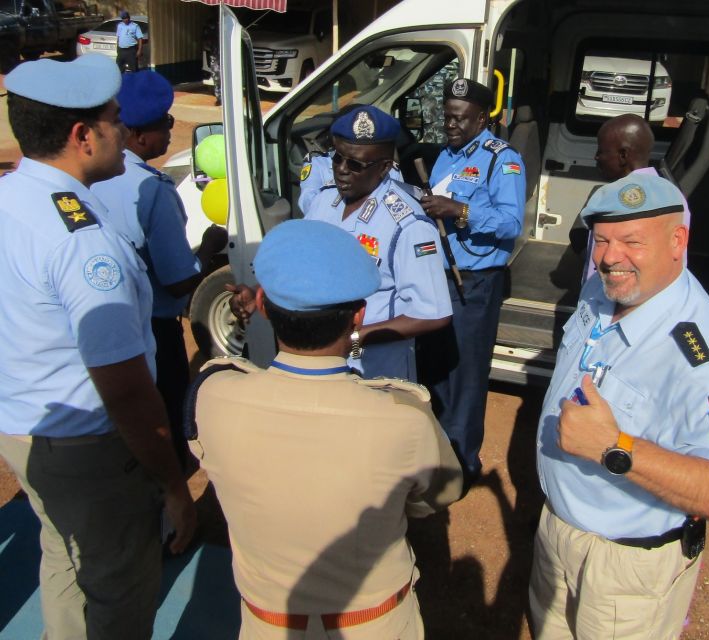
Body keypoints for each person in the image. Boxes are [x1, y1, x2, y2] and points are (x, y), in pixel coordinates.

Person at [188, 218, 463, 639]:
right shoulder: (405, 417)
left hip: (267, 625)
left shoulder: (211, 395)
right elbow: (438, 495)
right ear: (359, 315)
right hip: (374, 625)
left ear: (262, 304)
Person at [0, 55, 195, 639]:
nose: (124, 129)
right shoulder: (83, 244)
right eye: (114, 119)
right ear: (84, 136)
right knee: (120, 587)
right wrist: (174, 485)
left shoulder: (12, 196)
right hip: (90, 448)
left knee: (64, 556)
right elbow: (127, 390)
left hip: (25, 429)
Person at [529, 172, 709, 640]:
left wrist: (613, 447)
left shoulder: (700, 355)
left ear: (678, 241)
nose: (609, 257)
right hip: (557, 532)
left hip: (623, 569)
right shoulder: (605, 288)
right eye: (602, 240)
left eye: (632, 241)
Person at [233, 105, 452, 381]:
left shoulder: (408, 225)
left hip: (375, 373)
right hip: (317, 364)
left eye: (356, 164)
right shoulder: (325, 201)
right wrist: (258, 293)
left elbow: (433, 313)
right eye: (337, 158)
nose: (342, 170)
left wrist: (355, 339)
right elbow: (306, 266)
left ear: (384, 167)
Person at [92, 70, 228, 468]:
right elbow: (179, 280)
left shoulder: (90, 177)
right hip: (151, 330)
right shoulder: (152, 188)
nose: (171, 131)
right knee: (165, 429)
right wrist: (209, 248)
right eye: (165, 123)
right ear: (137, 135)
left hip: (102, 324)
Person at [417, 78, 526, 483]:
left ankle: (462, 466)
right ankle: (436, 454)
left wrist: (460, 210)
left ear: (481, 119)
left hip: (475, 282)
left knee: (465, 375)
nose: (451, 125)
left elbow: (511, 224)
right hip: (437, 275)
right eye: (447, 117)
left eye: (460, 118)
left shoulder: (503, 159)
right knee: (436, 366)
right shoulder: (445, 155)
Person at [573, 113, 692, 281]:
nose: (596, 157)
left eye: (601, 151)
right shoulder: (675, 195)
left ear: (623, 155)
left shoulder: (607, 197)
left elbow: (595, 263)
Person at [202, 16, 221, 106]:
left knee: (218, 75)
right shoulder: (211, 24)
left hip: (221, 54)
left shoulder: (226, 23)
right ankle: (220, 97)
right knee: (216, 75)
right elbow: (206, 42)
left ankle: (221, 97)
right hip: (216, 54)